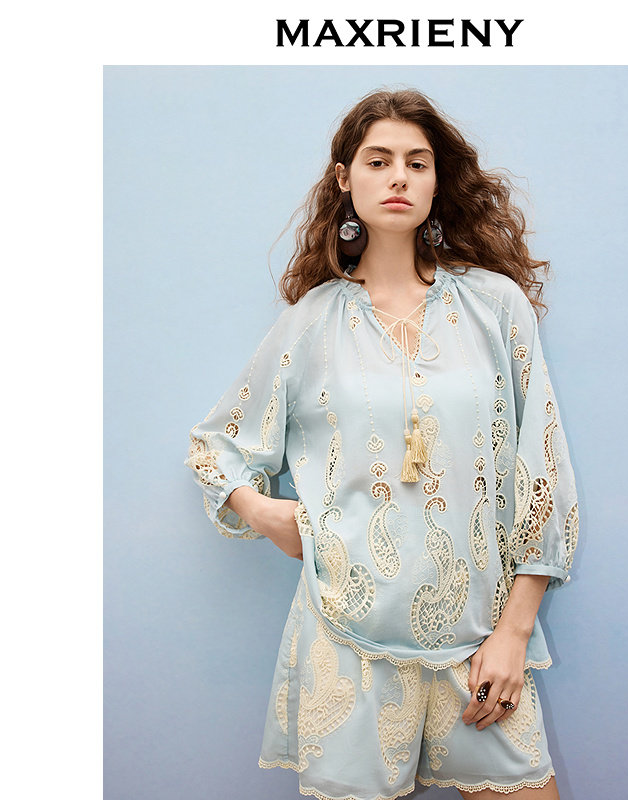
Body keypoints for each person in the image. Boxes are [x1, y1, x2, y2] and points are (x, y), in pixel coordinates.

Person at [184, 88, 580, 800]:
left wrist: (515, 632)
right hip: (346, 639)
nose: (399, 177)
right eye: (378, 161)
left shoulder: (494, 306)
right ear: (346, 178)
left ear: (436, 181)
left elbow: (542, 471)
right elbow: (217, 445)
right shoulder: (312, 322)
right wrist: (264, 511)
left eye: (417, 163)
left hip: (479, 638)